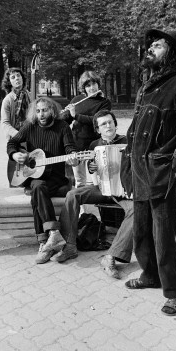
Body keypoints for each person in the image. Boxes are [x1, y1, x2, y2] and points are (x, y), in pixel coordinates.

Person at [122, 28, 176, 316]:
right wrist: (127, 165)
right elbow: (135, 131)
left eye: (157, 46)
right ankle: (150, 275)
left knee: (163, 236)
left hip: (161, 173)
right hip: (139, 171)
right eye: (151, 45)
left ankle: (175, 291)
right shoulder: (145, 86)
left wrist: (174, 164)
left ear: (171, 53)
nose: (150, 49)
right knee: (141, 233)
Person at [54, 110, 134, 278]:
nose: (108, 126)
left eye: (110, 122)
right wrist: (93, 170)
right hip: (102, 188)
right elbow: (94, 176)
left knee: (136, 210)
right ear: (98, 129)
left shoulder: (128, 142)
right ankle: (70, 246)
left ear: (115, 124)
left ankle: (111, 256)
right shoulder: (94, 145)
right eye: (103, 124)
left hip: (124, 191)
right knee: (73, 194)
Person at [7, 97, 79, 264]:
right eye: (38, 111)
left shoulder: (62, 127)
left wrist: (73, 156)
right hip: (34, 176)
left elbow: (70, 147)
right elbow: (12, 142)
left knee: (37, 192)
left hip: (56, 177)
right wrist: (15, 154)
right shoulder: (29, 127)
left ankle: (44, 242)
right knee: (38, 186)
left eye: (45, 110)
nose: (41, 114)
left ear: (52, 111)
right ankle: (53, 234)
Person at [61, 70, 111, 187]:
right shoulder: (76, 100)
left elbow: (97, 120)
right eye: (88, 85)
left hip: (96, 145)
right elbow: (66, 121)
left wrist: (76, 115)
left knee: (98, 181)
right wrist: (61, 116)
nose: (92, 88)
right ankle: (81, 205)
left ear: (98, 84)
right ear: (84, 88)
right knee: (79, 181)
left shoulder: (104, 102)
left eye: (94, 84)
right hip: (77, 144)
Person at [0, 67, 31, 185]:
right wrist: (19, 135)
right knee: (17, 172)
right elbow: (5, 124)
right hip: (17, 139)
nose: (17, 78)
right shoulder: (7, 100)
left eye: (18, 75)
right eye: (13, 77)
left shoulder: (31, 95)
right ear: (9, 82)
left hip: (31, 137)